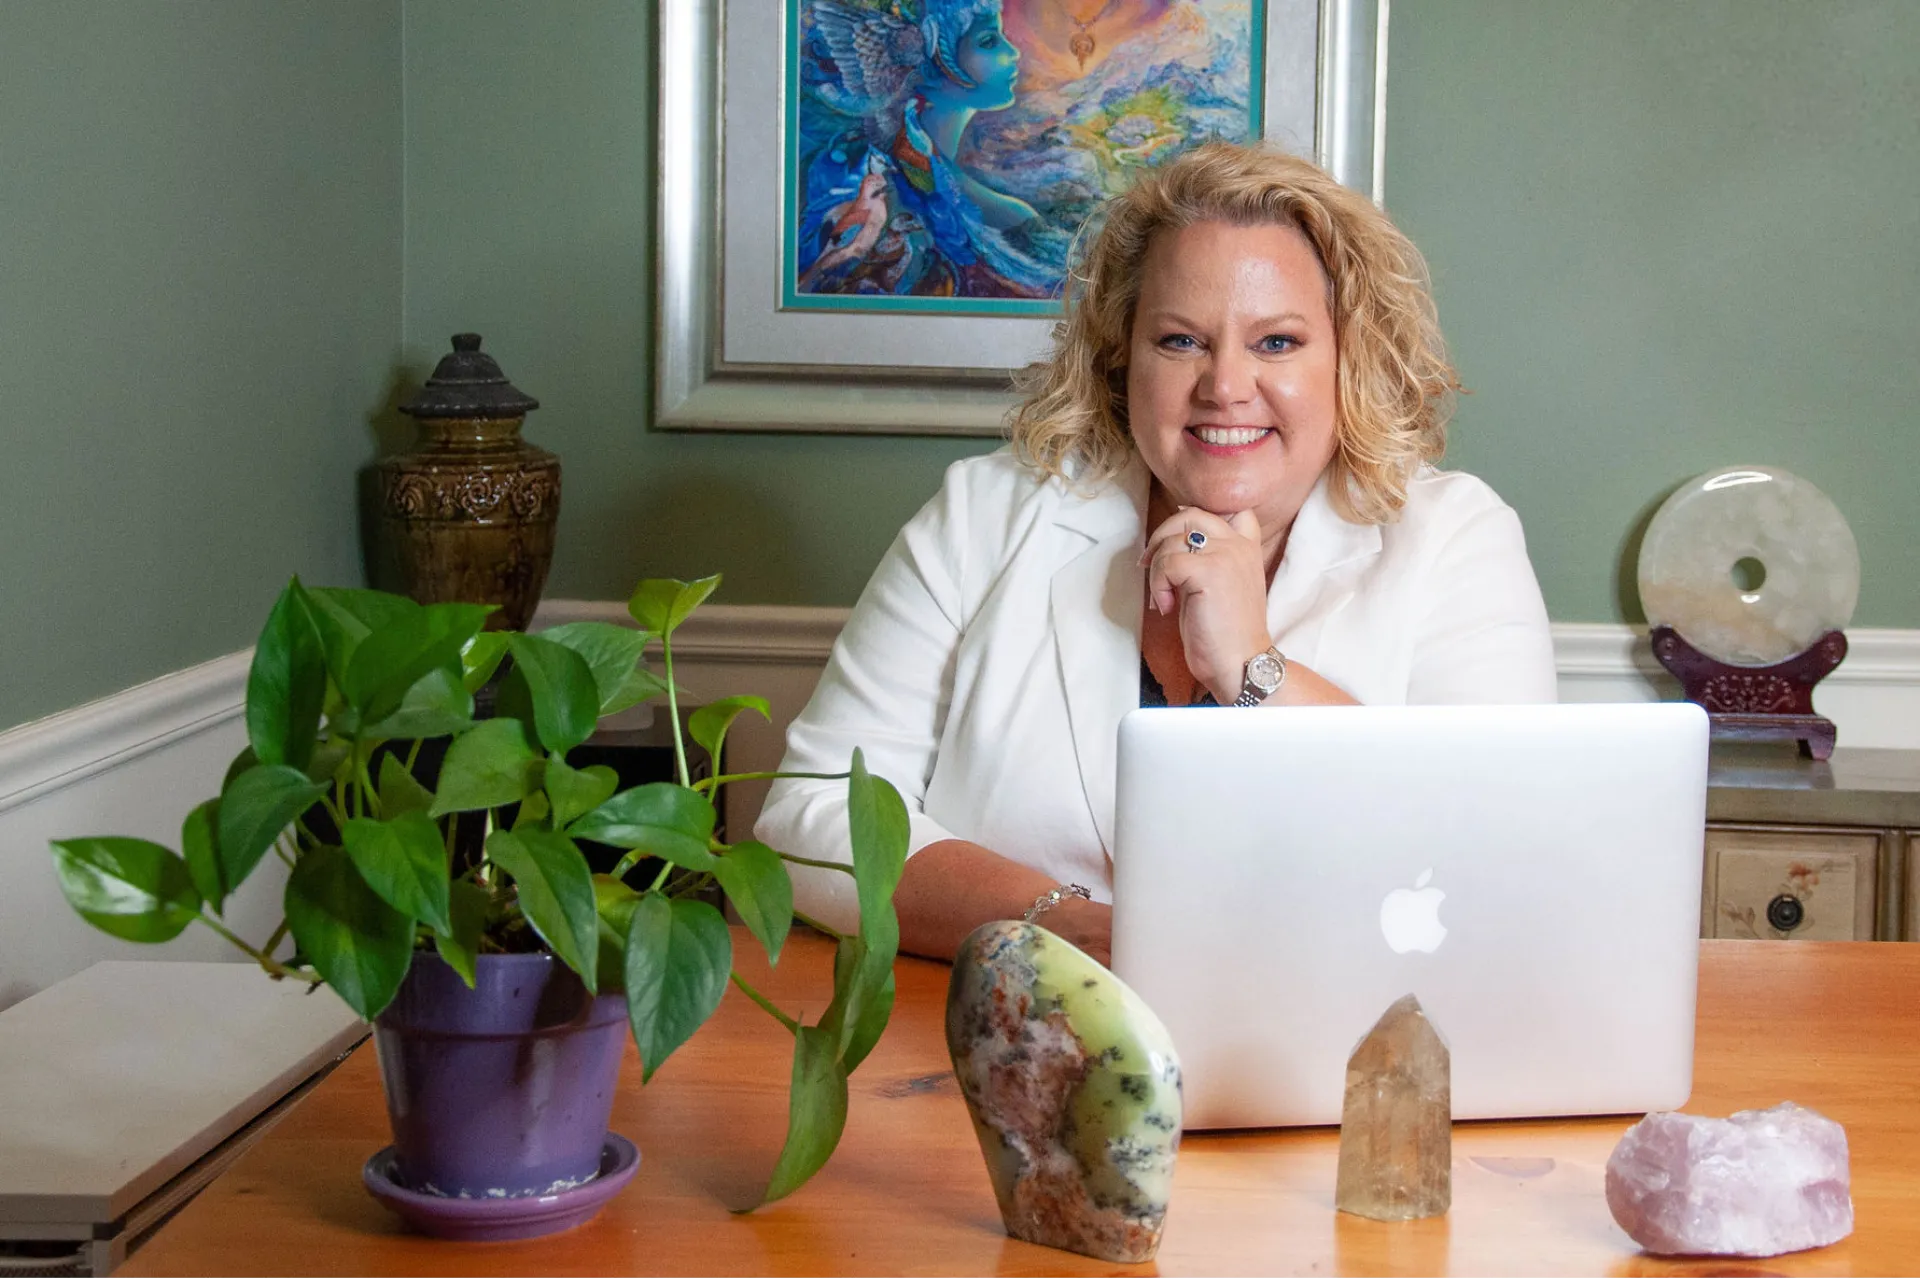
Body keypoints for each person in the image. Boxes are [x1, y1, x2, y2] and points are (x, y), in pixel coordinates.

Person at [755, 142, 1556, 966]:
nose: (1225, 386)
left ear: (1350, 355)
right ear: (1120, 355)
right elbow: (813, 823)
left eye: (1277, 343)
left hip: (1329, 1064)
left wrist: (1254, 668)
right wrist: (1070, 930)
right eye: (1181, 341)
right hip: (999, 1046)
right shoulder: (984, 514)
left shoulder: (1454, 537)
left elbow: (1500, 856)